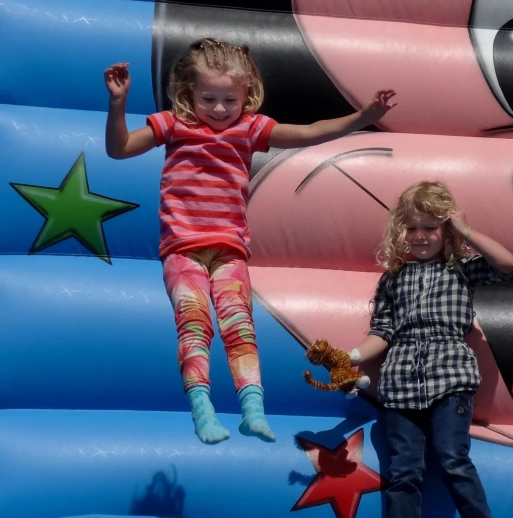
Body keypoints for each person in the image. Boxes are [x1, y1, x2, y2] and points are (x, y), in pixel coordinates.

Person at [104, 37, 396, 444]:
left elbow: (309, 132)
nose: (220, 109)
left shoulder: (250, 128)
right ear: (189, 92)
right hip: (183, 248)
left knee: (239, 327)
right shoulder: (174, 124)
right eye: (209, 98)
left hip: (229, 250)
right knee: (194, 324)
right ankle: (202, 408)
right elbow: (118, 149)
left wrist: (363, 116)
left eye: (230, 100)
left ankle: (252, 409)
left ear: (246, 96)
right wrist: (118, 103)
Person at [349, 181, 513, 518]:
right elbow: (382, 332)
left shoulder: (462, 269)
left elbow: (507, 265)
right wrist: (350, 356)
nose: (420, 236)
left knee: (452, 457)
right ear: (400, 231)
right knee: (403, 469)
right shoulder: (392, 279)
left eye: (430, 227)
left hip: (450, 376)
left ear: (446, 230)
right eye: (411, 228)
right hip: (401, 381)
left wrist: (463, 228)